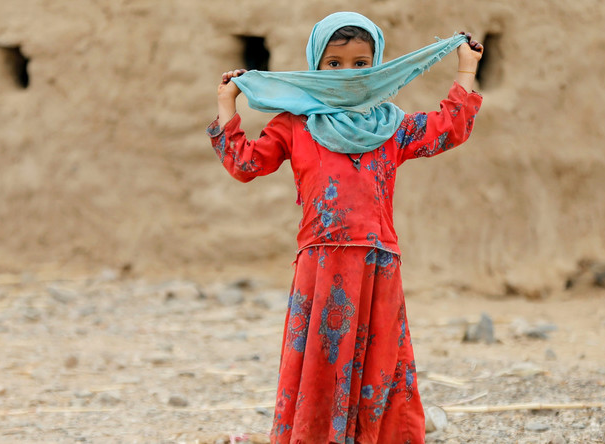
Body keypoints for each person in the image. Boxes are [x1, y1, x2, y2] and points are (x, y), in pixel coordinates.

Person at [207, 11, 483, 444]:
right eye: (334, 64)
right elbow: (245, 163)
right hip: (321, 265)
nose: (347, 74)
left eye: (360, 63)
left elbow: (450, 128)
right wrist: (228, 104)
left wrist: (466, 68)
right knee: (320, 360)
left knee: (380, 358)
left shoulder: (390, 127)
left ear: (377, 65)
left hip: (378, 264)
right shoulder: (294, 125)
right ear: (315, 65)